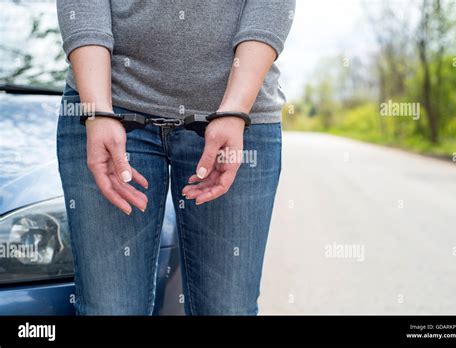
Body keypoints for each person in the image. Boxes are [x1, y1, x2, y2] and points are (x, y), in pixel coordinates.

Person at [56, 0, 295, 315]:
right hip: (110, 110)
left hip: (238, 115)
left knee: (228, 309)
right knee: (109, 309)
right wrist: (98, 111)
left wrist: (236, 110)